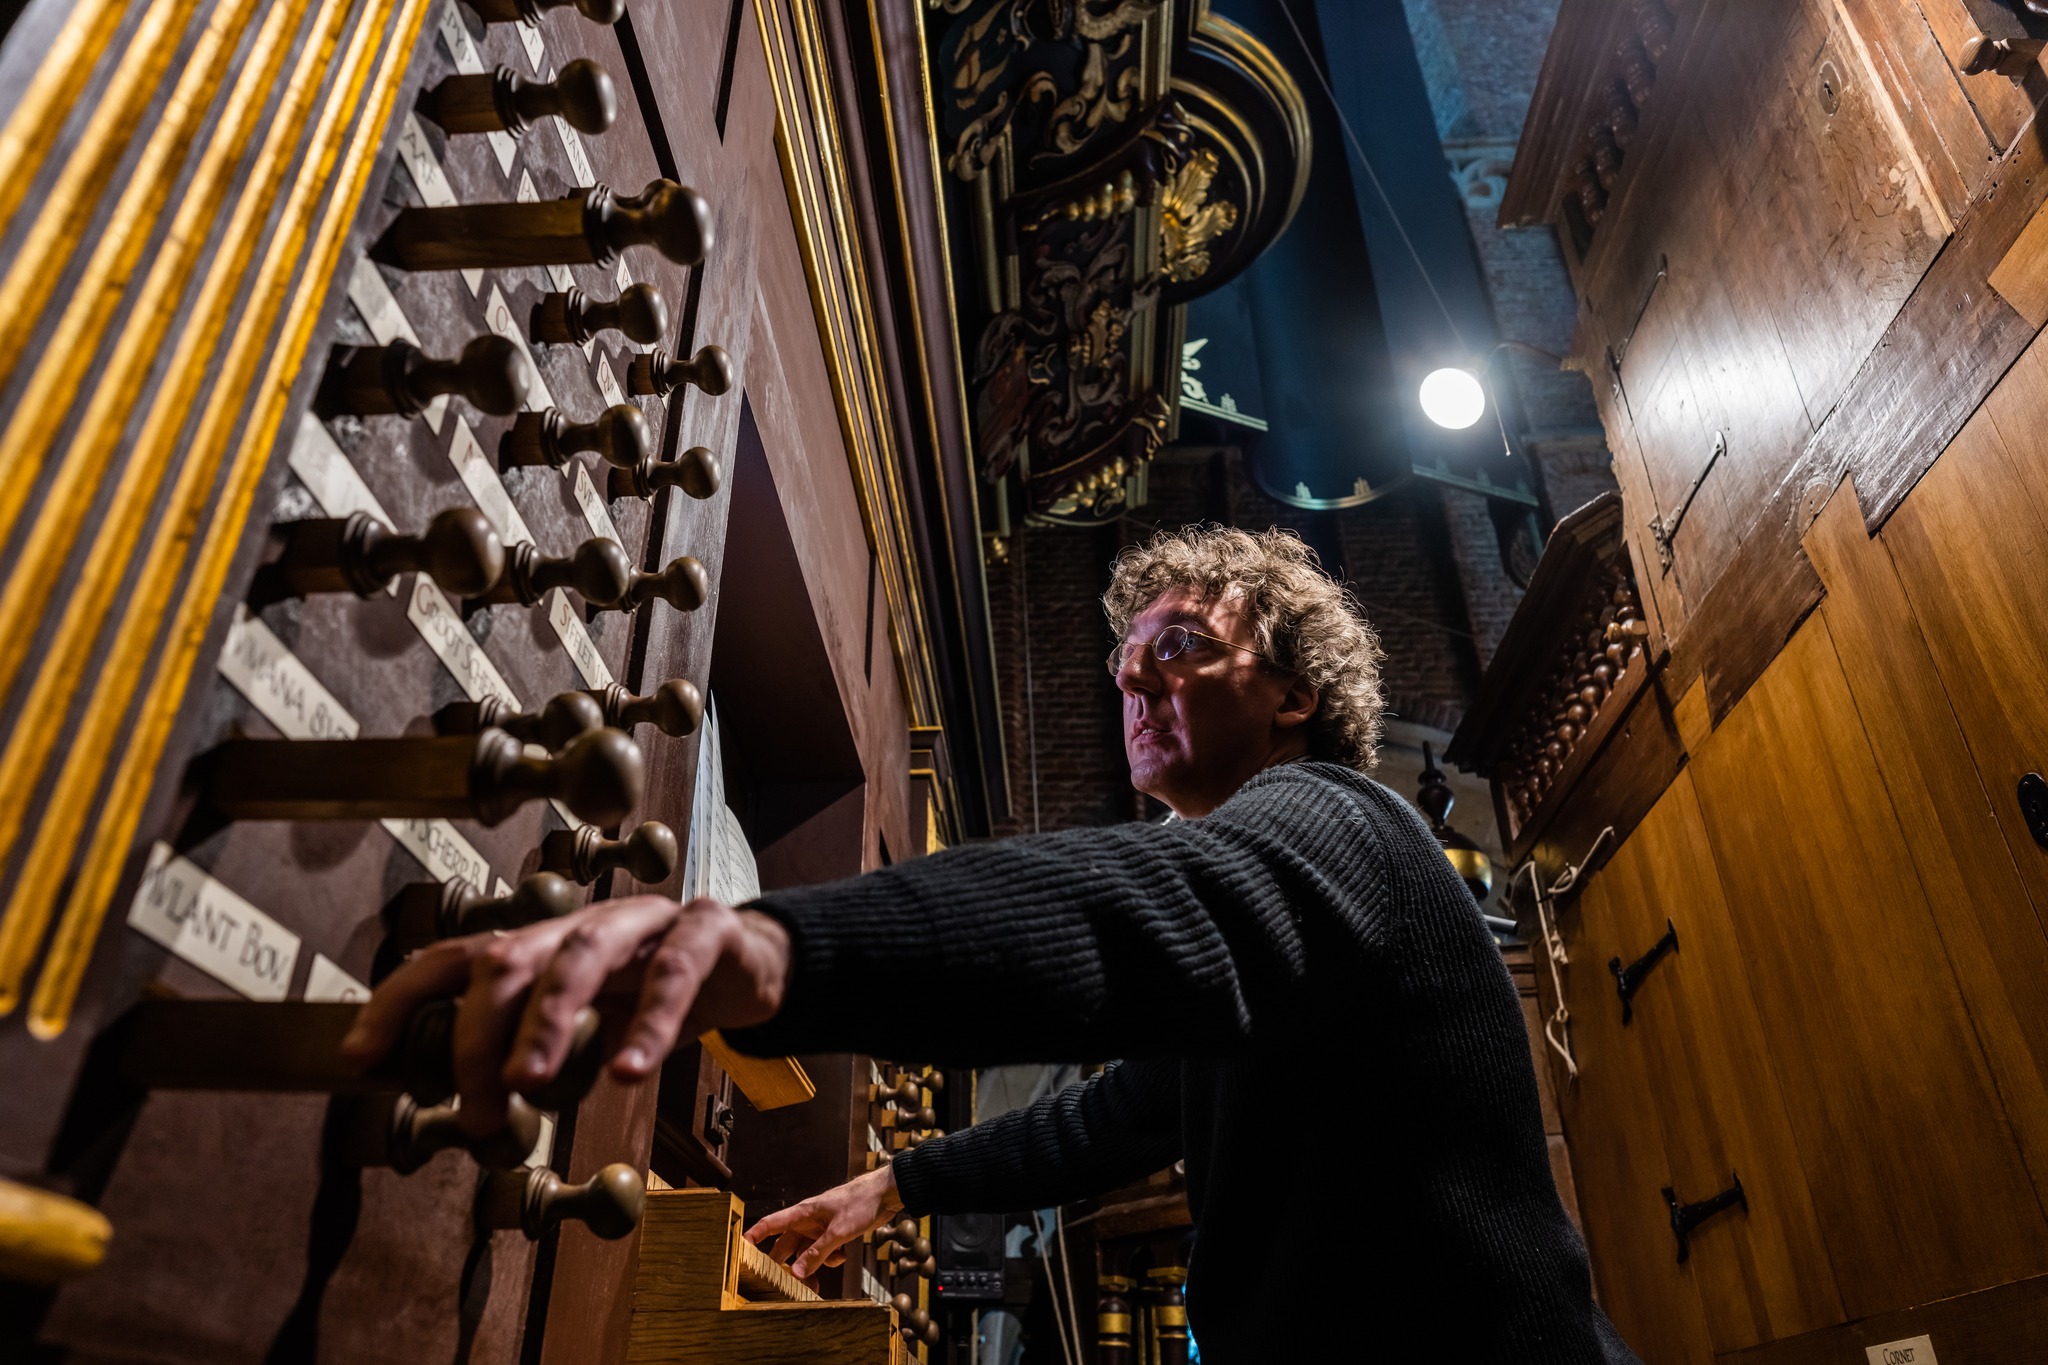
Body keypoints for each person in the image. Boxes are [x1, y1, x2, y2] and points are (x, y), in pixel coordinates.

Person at [345, 525, 1639, 1362]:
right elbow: (1115, 1115)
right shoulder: (1278, 931)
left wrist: (766, 950)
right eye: (1127, 661)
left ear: (1294, 691)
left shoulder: (1339, 824)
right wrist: (894, 1185)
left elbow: (1126, 912)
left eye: (1181, 649)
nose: (1135, 682)